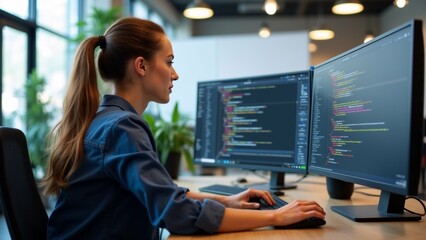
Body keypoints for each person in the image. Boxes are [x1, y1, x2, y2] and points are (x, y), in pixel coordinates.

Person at [42, 17, 326, 240]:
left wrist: (227, 200)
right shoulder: (121, 128)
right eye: (169, 62)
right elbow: (177, 213)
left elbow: (163, 194)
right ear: (141, 66)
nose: (175, 74)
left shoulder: (106, 120)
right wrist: (275, 217)